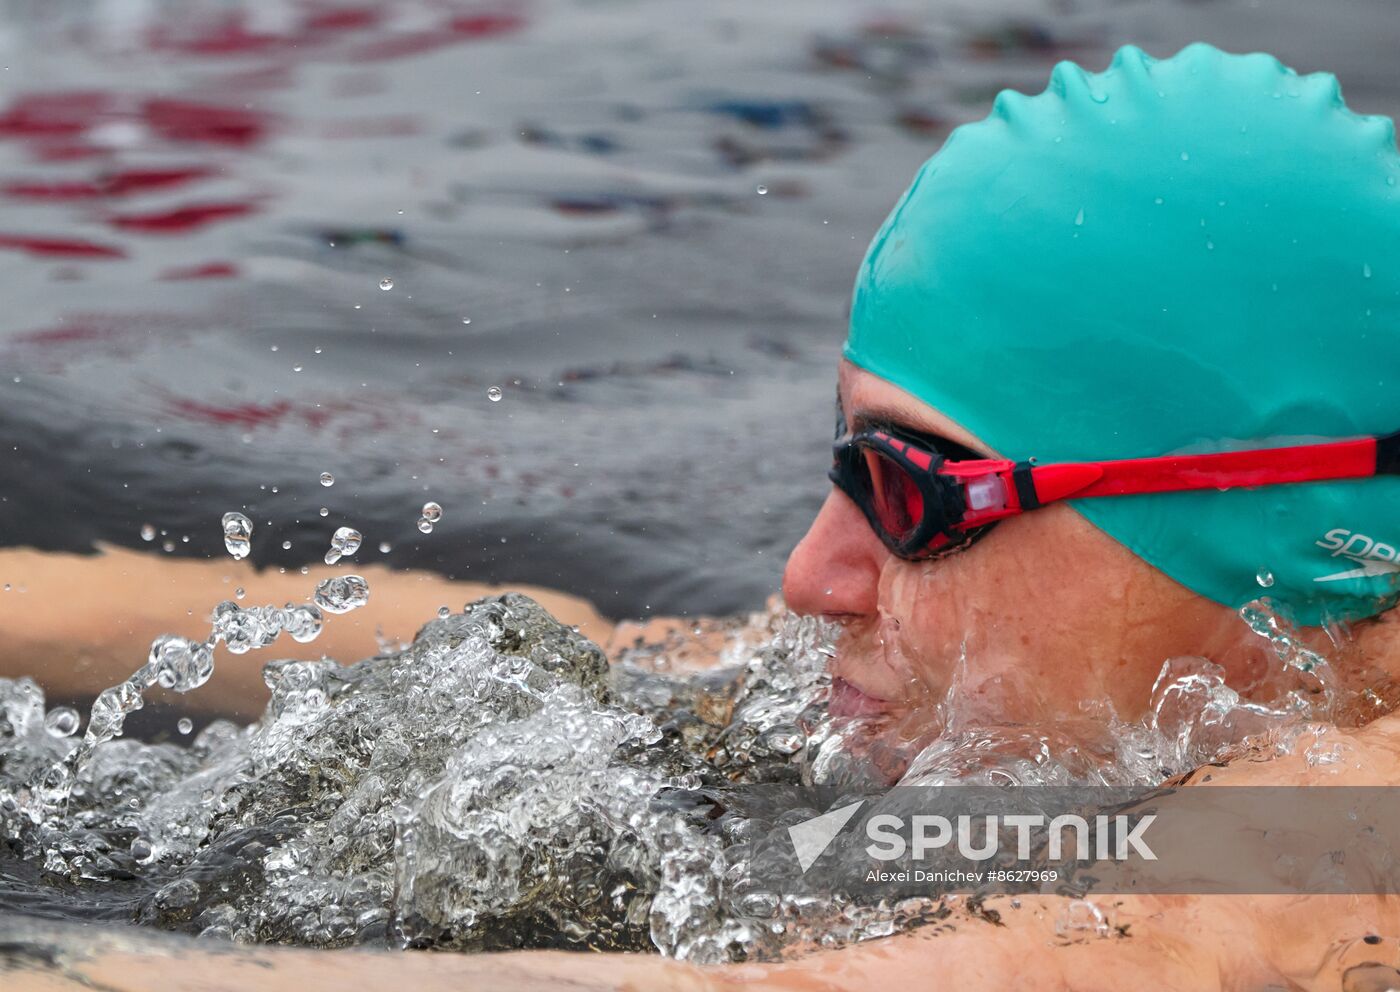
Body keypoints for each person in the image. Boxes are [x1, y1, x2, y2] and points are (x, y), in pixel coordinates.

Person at [5, 42, 1400, 991]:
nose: (812, 574)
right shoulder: (1161, 753)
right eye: (845, 466)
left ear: (1261, 546)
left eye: (915, 494)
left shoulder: (1346, 842)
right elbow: (583, 655)